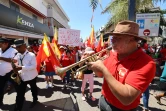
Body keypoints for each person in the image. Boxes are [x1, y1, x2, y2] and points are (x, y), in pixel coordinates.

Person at [86, 20, 156, 110]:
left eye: (117, 38)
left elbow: (127, 98)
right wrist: (91, 64)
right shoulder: (113, 53)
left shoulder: (146, 63)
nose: (112, 40)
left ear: (131, 39)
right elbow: (100, 74)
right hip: (104, 101)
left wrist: (103, 69)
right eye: (112, 38)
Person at [13, 39, 38, 111]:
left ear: (24, 46)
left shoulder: (31, 55)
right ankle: (18, 108)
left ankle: (35, 100)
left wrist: (21, 67)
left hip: (31, 76)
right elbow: (16, 63)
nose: (17, 49)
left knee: (33, 89)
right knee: (20, 94)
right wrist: (15, 66)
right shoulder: (17, 55)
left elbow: (34, 66)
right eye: (16, 47)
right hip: (22, 77)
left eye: (18, 47)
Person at [0, 37, 17, 106]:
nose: (0, 44)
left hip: (11, 72)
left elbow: (15, 60)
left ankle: (20, 100)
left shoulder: (13, 50)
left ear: (6, 44)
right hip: (1, 73)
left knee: (17, 87)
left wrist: (1, 58)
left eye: (0, 43)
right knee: (0, 88)